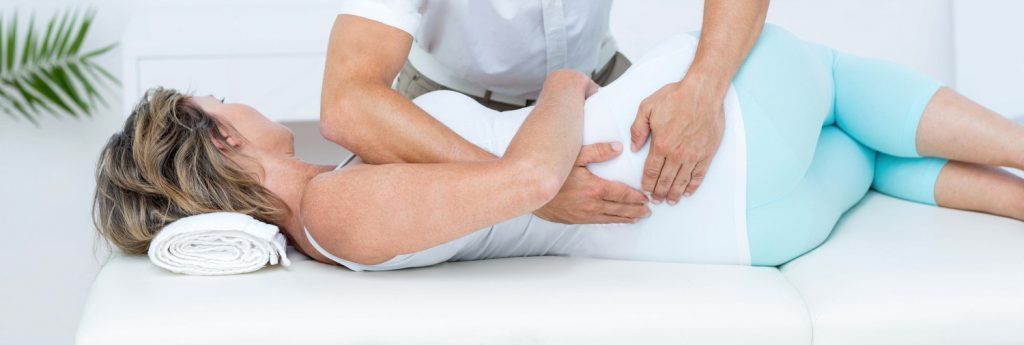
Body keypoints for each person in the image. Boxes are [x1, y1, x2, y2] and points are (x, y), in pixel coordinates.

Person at [94, 25, 1024, 271]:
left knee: (863, 151)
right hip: (695, 170)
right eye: (219, 102)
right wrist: (569, 85)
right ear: (215, 138)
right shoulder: (327, 209)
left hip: (739, 224)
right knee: (825, 71)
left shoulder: (327, 209)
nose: (239, 100)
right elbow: (533, 175)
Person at [321, 0, 771, 225]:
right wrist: (521, 186)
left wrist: (704, 88)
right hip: (449, 104)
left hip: (596, 83)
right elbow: (347, 102)